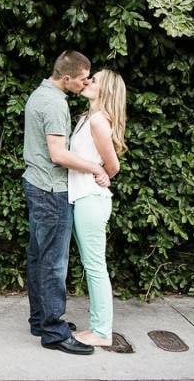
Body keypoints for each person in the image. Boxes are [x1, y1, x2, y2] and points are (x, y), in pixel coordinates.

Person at [22, 50, 110, 355]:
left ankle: (40, 320)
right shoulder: (56, 103)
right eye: (83, 79)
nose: (85, 84)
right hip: (51, 190)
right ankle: (54, 332)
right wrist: (96, 167)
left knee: (38, 258)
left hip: (36, 184)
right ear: (67, 77)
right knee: (53, 264)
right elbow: (58, 155)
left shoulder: (39, 93)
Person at [69, 69, 127, 347]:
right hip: (82, 198)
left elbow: (113, 165)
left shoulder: (98, 122)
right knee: (91, 265)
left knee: (95, 266)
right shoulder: (87, 117)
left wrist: (104, 174)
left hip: (91, 200)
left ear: (106, 90)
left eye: (96, 80)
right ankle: (97, 327)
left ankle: (101, 331)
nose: (89, 80)